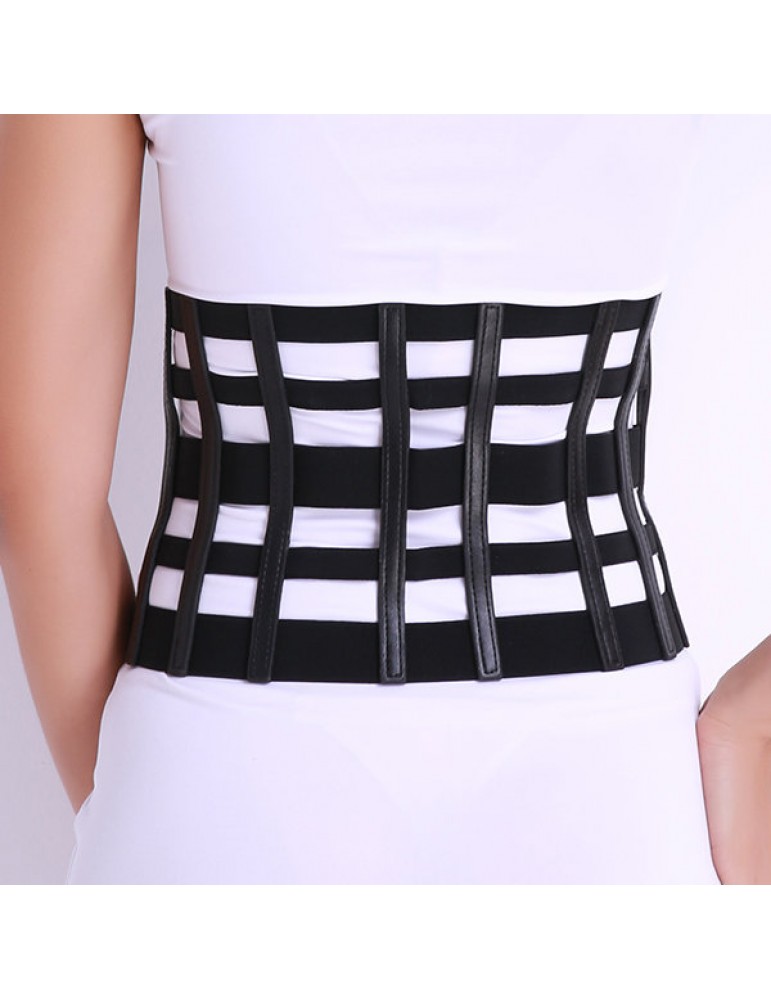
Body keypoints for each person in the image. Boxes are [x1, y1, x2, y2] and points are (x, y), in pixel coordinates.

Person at [0, 114, 766, 884]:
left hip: (223, 757)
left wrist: (126, 795)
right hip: (612, 775)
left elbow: (36, 484)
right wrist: (744, 729)